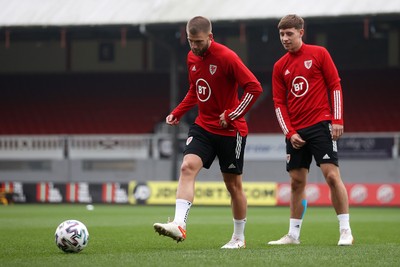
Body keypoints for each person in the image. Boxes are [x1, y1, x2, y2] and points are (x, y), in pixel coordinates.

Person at [153, 16, 263, 249]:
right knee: (187, 167)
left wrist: (232, 114)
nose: (194, 46)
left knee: (233, 186)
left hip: (231, 131)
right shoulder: (192, 56)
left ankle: (238, 238)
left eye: (199, 41)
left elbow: (254, 87)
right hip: (203, 126)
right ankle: (179, 224)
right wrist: (178, 112)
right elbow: (195, 89)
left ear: (210, 37)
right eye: (191, 41)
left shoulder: (227, 57)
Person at [268, 14, 354, 246]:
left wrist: (337, 119)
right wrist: (289, 132)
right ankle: (293, 235)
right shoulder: (279, 66)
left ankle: (345, 230)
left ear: (301, 32)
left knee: (332, 176)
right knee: (296, 182)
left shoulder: (319, 53)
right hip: (296, 131)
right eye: (281, 34)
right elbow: (279, 103)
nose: (285, 38)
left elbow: (334, 84)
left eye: (289, 34)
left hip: (321, 124)